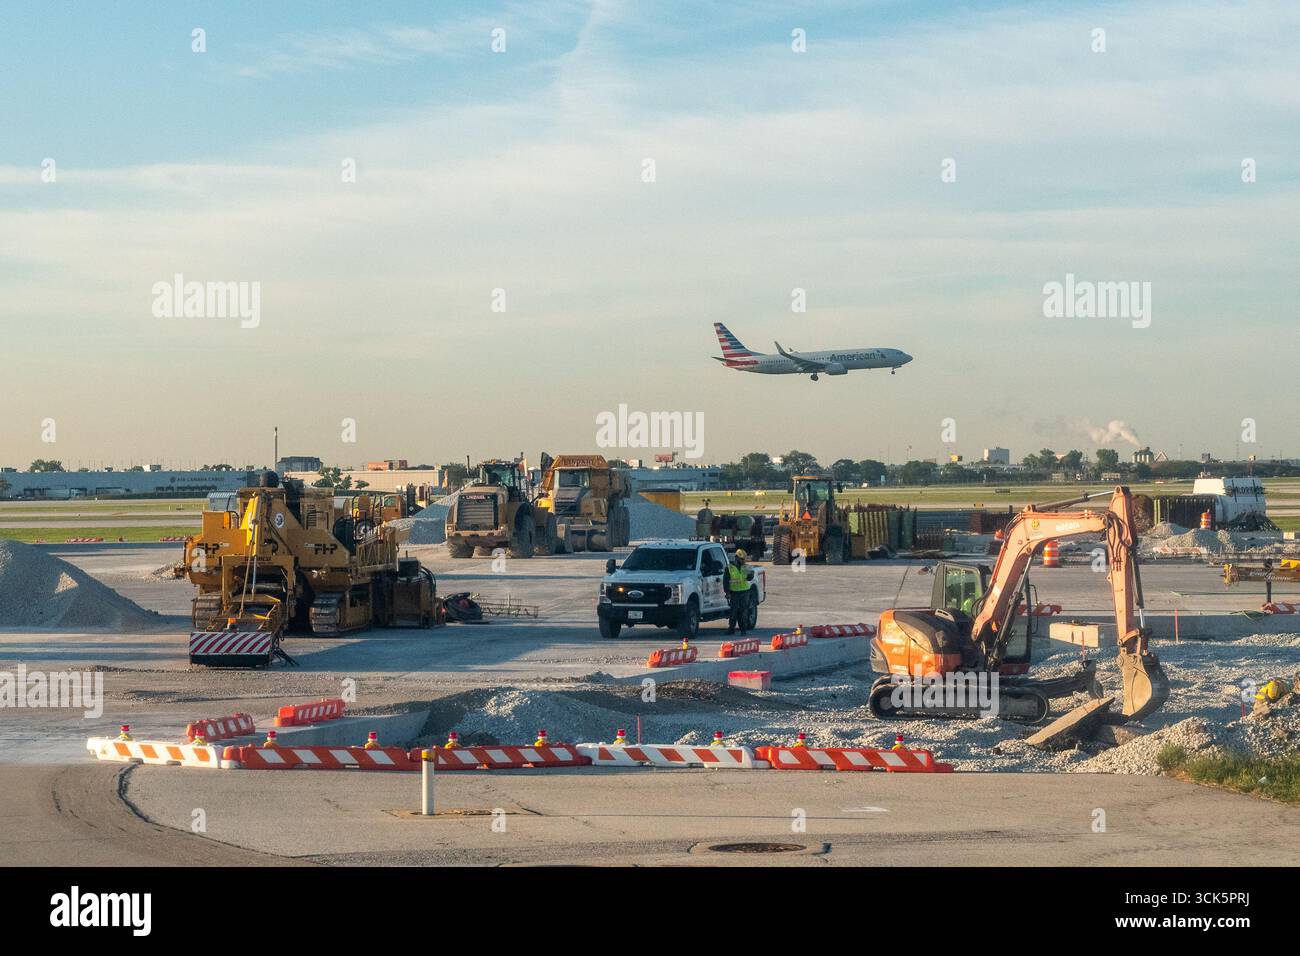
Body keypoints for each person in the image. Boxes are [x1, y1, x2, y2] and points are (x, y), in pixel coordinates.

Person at [726, 549, 752, 635]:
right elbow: (725, 581)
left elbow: (749, 578)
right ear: (736, 558)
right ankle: (731, 629)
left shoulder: (746, 566)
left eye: (743, 559)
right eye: (741, 559)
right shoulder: (729, 568)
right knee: (733, 612)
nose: (743, 561)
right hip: (734, 592)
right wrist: (727, 593)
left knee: (743, 612)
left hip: (745, 592)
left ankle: (743, 630)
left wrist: (750, 575)